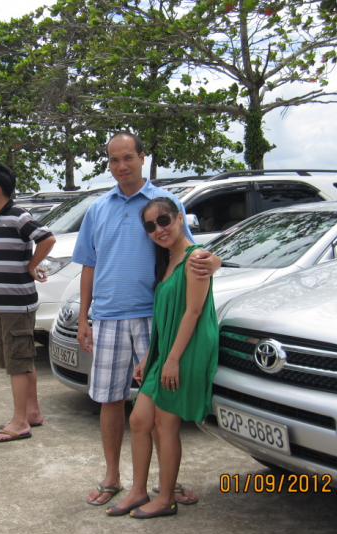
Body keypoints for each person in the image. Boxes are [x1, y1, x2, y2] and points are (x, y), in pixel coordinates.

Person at [72, 132, 221, 506]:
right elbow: (88, 265)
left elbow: (190, 253)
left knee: (159, 411)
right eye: (114, 160)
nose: (121, 166)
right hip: (107, 316)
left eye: (128, 158)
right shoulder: (97, 209)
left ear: (142, 157)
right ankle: (112, 478)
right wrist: (84, 317)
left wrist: (214, 261)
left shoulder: (163, 203)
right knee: (109, 401)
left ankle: (165, 485)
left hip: (154, 318)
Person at [105, 197, 218, 519]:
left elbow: (193, 313)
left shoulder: (195, 258)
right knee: (139, 420)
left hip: (187, 348)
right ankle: (139, 491)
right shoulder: (168, 259)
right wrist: (150, 358)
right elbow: (165, 315)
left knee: (164, 424)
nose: (158, 229)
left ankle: (166, 498)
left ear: (179, 218)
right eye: (150, 226)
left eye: (164, 220)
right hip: (167, 349)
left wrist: (171, 360)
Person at [0, 165, 56, 443]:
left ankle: (20, 421)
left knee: (18, 363)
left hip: (16, 304)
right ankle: (32, 412)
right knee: (21, 360)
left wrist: (32, 265)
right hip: (5, 305)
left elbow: (47, 238)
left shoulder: (17, 215)